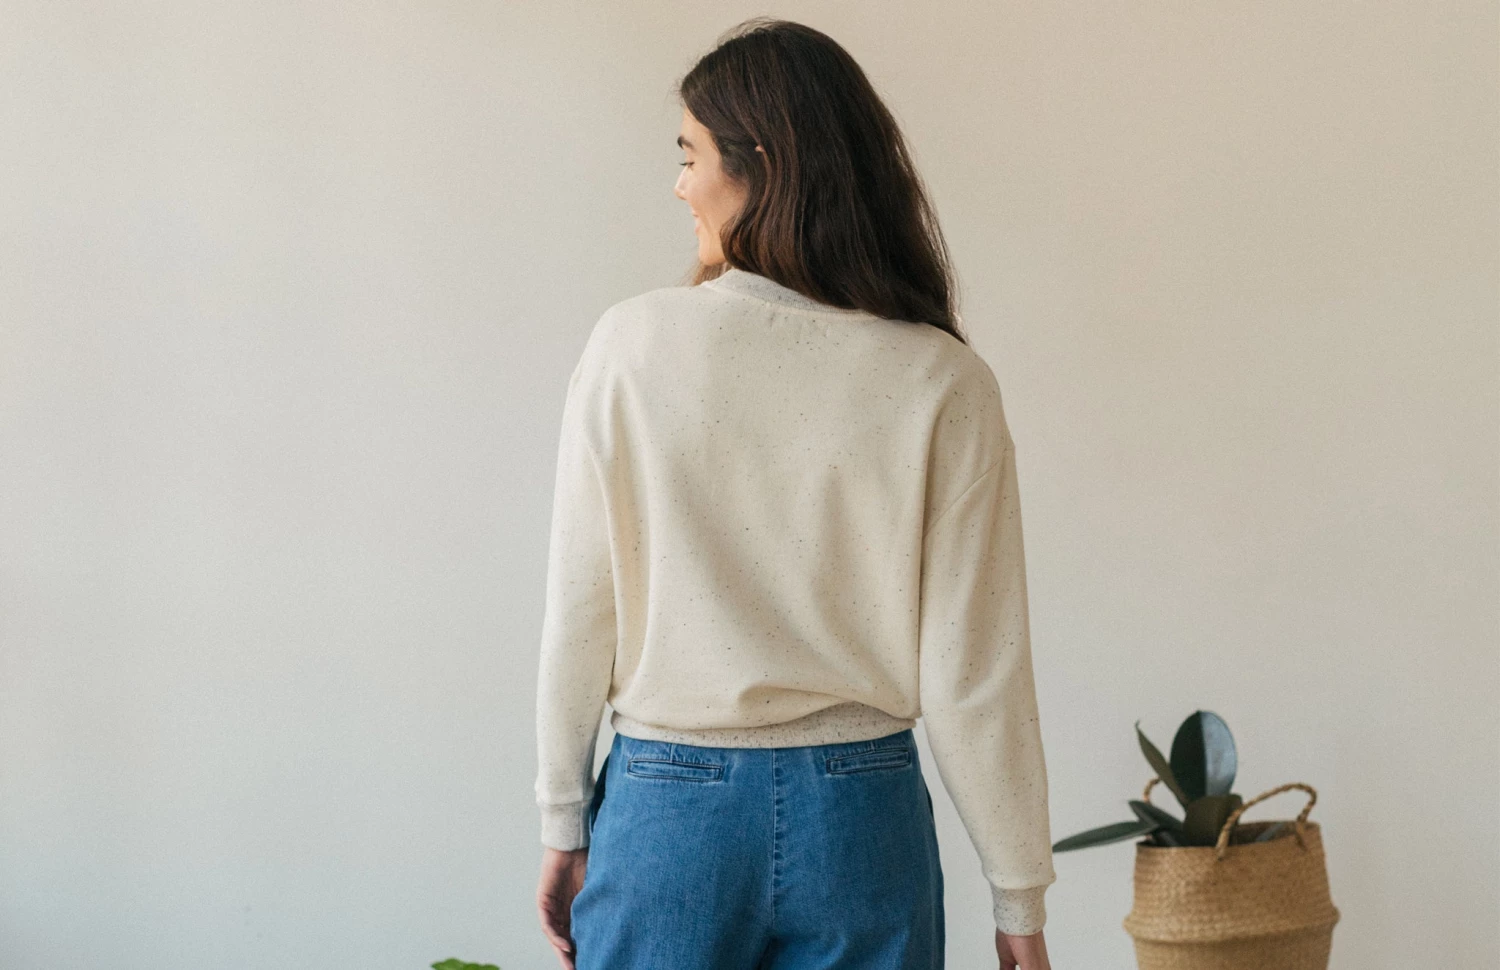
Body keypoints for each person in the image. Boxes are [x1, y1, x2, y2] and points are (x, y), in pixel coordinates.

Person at [533, 17, 1057, 970]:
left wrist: (563, 817)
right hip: (862, 820)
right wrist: (1017, 895)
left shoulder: (632, 345)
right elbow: (975, 669)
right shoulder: (942, 379)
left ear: (761, 164)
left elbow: (582, 604)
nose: (680, 184)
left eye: (690, 155)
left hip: (668, 811)